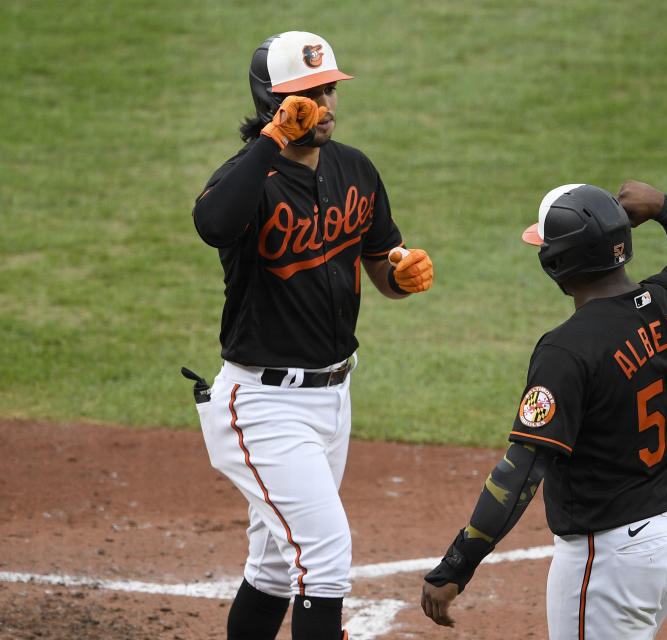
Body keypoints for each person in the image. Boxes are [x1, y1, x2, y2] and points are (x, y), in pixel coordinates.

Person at [185, 30, 433, 640]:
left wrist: (399, 275)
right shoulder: (249, 179)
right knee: (324, 558)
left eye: (326, 89)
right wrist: (272, 138)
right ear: (271, 101)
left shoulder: (353, 167)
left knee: (273, 568)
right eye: (304, 93)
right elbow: (213, 223)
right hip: (263, 403)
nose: (322, 103)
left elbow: (380, 261)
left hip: (332, 397)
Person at [420, 181, 667, 639]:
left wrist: (457, 564)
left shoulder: (568, 349)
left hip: (612, 557)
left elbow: (521, 471)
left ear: (556, 263)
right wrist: (665, 207)